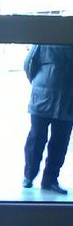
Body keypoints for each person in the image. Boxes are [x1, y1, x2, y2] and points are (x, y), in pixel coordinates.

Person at [23, 44, 73, 194]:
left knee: (60, 142)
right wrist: (39, 83)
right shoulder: (46, 39)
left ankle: (50, 180)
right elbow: (29, 64)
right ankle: (29, 175)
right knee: (36, 138)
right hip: (43, 97)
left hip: (68, 101)